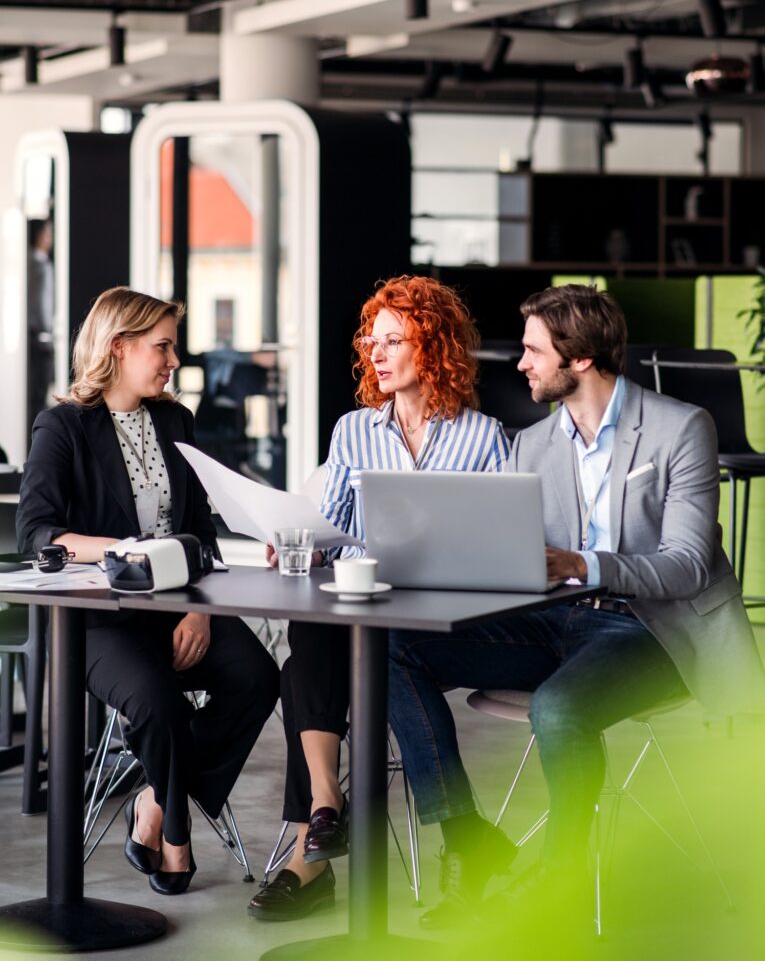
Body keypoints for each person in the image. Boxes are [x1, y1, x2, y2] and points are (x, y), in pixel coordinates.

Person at [388, 284, 765, 929]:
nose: (521, 363)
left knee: (557, 706)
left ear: (581, 358)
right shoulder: (533, 445)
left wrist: (581, 564)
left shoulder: (681, 428)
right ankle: (466, 838)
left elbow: (689, 565)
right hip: (558, 622)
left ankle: (562, 876)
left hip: (653, 628)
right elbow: (507, 553)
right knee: (395, 646)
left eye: (534, 350)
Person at [248, 275, 513, 921]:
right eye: (373, 339)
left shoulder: (483, 438)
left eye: (395, 339)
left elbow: (508, 547)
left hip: (442, 621)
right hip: (362, 610)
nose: (377, 351)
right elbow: (328, 528)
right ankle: (324, 810)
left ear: (435, 346)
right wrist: (299, 544)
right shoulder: (353, 432)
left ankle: (310, 859)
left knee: (370, 649)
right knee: (310, 632)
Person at [16, 286, 279, 896]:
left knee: (260, 678)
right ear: (119, 346)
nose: (173, 361)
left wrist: (197, 610)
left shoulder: (175, 421)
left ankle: (154, 804)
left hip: (178, 606)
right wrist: (124, 551)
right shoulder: (64, 427)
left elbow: (197, 531)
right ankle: (179, 839)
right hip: (101, 619)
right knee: (157, 703)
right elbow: (37, 531)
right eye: (162, 347)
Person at [27, 218, 56, 436]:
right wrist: (47, 333)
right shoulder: (41, 266)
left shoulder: (27, 262)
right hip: (39, 337)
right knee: (38, 396)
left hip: (32, 336)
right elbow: (43, 304)